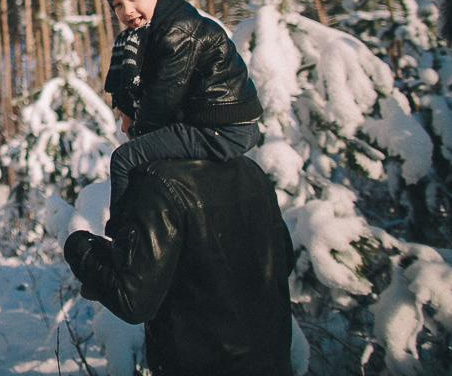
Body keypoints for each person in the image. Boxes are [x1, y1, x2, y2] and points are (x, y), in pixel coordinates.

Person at [63, 155, 295, 375]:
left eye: (124, 114)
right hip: (271, 364)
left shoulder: (160, 182)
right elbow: (283, 260)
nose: (123, 127)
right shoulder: (249, 170)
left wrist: (81, 249)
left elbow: (133, 299)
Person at [99, 0, 263, 222]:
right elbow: (143, 84)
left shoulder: (178, 29)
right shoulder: (155, 30)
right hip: (207, 122)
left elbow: (163, 95)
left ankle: (125, 238)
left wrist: (140, 132)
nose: (127, 10)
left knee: (125, 159)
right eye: (117, 4)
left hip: (221, 128)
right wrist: (127, 109)